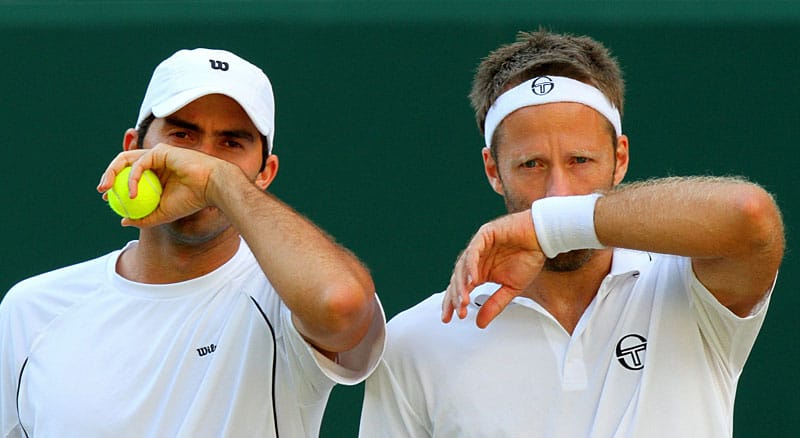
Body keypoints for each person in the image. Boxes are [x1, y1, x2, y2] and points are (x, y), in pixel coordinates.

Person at [359, 30, 784, 437]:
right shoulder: (416, 340)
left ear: (620, 159)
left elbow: (751, 216)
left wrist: (549, 227)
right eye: (532, 165)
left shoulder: (690, 292)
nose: (558, 193)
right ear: (493, 169)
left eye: (580, 160)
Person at [0, 48, 385, 437]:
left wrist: (219, 183)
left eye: (231, 144)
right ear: (134, 147)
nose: (202, 162)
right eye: (182, 135)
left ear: (264, 174)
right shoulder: (30, 310)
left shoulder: (284, 297)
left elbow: (343, 307)